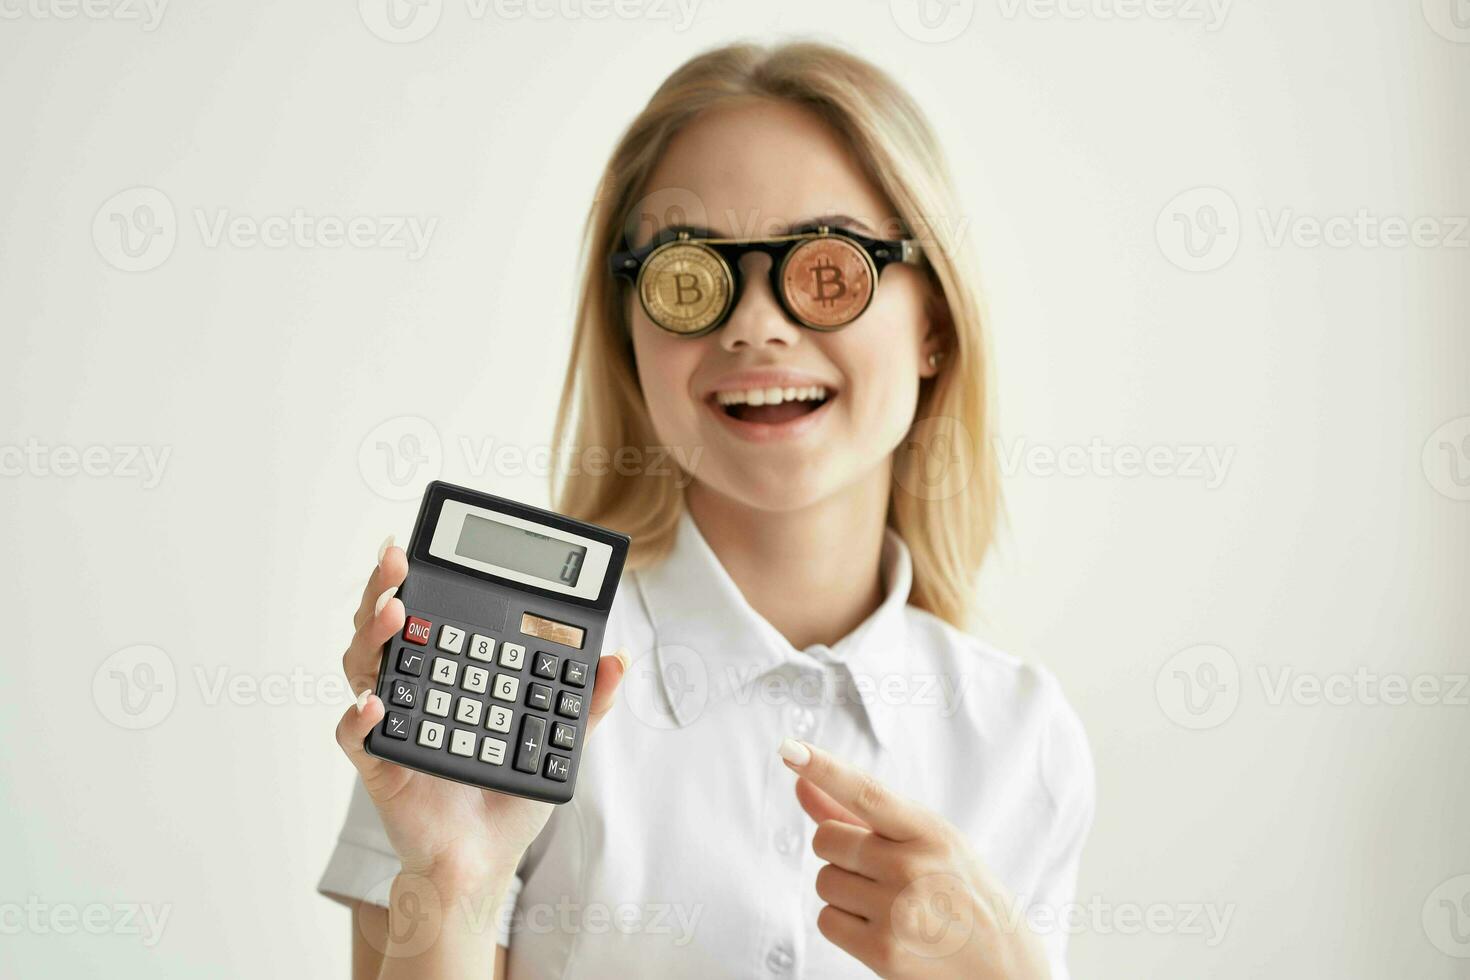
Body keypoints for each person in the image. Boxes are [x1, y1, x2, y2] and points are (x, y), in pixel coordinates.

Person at [320, 39, 1094, 979]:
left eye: (828, 268)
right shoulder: (493, 681)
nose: (753, 324)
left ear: (932, 322)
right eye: (690, 277)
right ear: (631, 332)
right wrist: (448, 884)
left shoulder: (1021, 737)